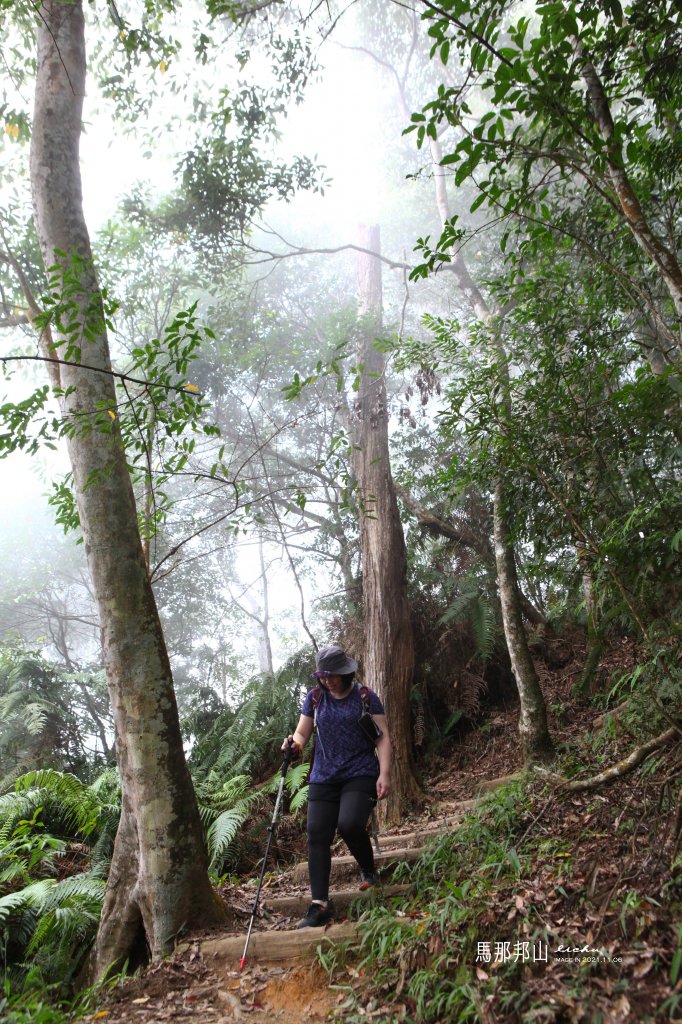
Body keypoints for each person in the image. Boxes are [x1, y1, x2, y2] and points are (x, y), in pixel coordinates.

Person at [282, 645, 391, 928]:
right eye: (323, 675)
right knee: (317, 833)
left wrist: (385, 774)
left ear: (346, 673)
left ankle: (368, 869)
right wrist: (294, 745)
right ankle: (319, 904)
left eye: (333, 675)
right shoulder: (316, 698)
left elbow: (382, 738)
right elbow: (302, 732)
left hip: (360, 772)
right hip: (324, 776)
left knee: (349, 824)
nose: (327, 680)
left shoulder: (366, 697)